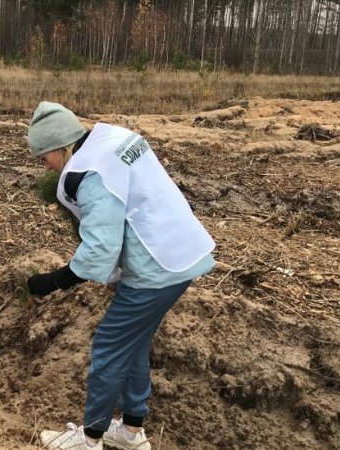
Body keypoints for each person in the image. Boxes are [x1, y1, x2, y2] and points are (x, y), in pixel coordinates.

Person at [26, 101, 216, 450]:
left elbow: (100, 247)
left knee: (110, 347)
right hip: (179, 250)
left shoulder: (89, 175)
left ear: (59, 145)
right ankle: (130, 432)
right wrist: (117, 276)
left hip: (156, 268)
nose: (46, 166)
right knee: (134, 343)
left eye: (44, 157)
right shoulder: (113, 138)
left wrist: (53, 281)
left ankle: (91, 438)